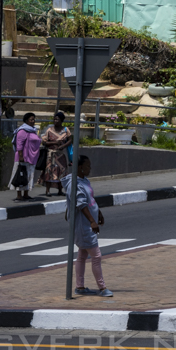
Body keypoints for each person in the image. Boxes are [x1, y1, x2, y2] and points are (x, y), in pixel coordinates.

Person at [70, 155, 112, 296]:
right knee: (96, 256)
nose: (90, 168)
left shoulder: (84, 181)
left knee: (82, 255)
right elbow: (81, 204)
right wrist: (92, 221)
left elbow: (90, 200)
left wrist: (98, 213)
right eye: (88, 166)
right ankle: (102, 288)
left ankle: (80, 287)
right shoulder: (75, 184)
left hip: (88, 223)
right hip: (84, 226)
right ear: (80, 167)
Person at [41, 111, 72, 197]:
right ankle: (47, 190)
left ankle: (60, 190)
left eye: (57, 119)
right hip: (51, 155)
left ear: (61, 120)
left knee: (62, 172)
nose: (55, 121)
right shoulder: (49, 130)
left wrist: (63, 146)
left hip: (61, 155)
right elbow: (44, 142)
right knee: (49, 172)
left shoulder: (66, 130)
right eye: (54, 119)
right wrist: (54, 142)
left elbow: (70, 140)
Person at [11, 112, 41, 201]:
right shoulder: (22, 131)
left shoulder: (33, 130)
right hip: (23, 157)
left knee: (28, 175)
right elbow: (19, 145)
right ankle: (19, 195)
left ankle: (26, 194)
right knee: (20, 175)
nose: (33, 121)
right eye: (31, 119)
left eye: (34, 119)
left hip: (31, 157)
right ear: (26, 121)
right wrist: (21, 156)